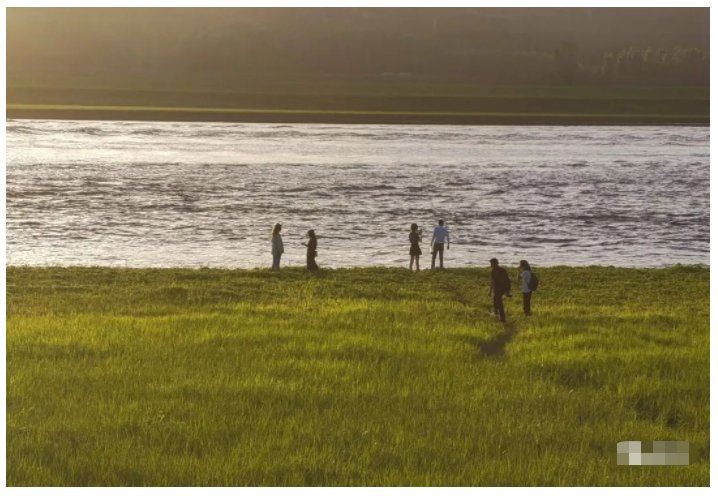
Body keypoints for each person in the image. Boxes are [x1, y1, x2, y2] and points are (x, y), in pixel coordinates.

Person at [489, 258, 511, 323]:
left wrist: (490, 291)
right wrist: (507, 290)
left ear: (493, 264)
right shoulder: (503, 270)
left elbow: (492, 282)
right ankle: (495, 312)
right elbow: (507, 280)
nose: (490, 265)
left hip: (498, 288)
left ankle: (502, 318)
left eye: (491, 264)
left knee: (499, 302)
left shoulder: (493, 271)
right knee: (495, 299)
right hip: (504, 288)